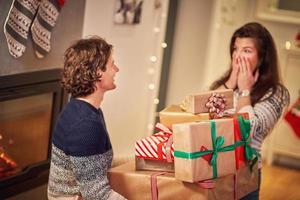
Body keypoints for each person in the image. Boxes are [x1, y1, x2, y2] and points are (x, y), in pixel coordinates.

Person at [210, 22, 290, 199]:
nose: (238, 56)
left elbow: (247, 131)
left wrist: (245, 91)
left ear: (261, 58)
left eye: (246, 50)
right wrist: (231, 82)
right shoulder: (226, 84)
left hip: (245, 176)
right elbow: (202, 114)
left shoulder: (276, 93)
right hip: (214, 171)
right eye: (235, 49)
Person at [47, 36, 126, 200]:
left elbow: (98, 164)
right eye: (112, 65)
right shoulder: (85, 125)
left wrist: (141, 161)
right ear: (98, 71)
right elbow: (97, 194)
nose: (116, 70)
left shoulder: (85, 109)